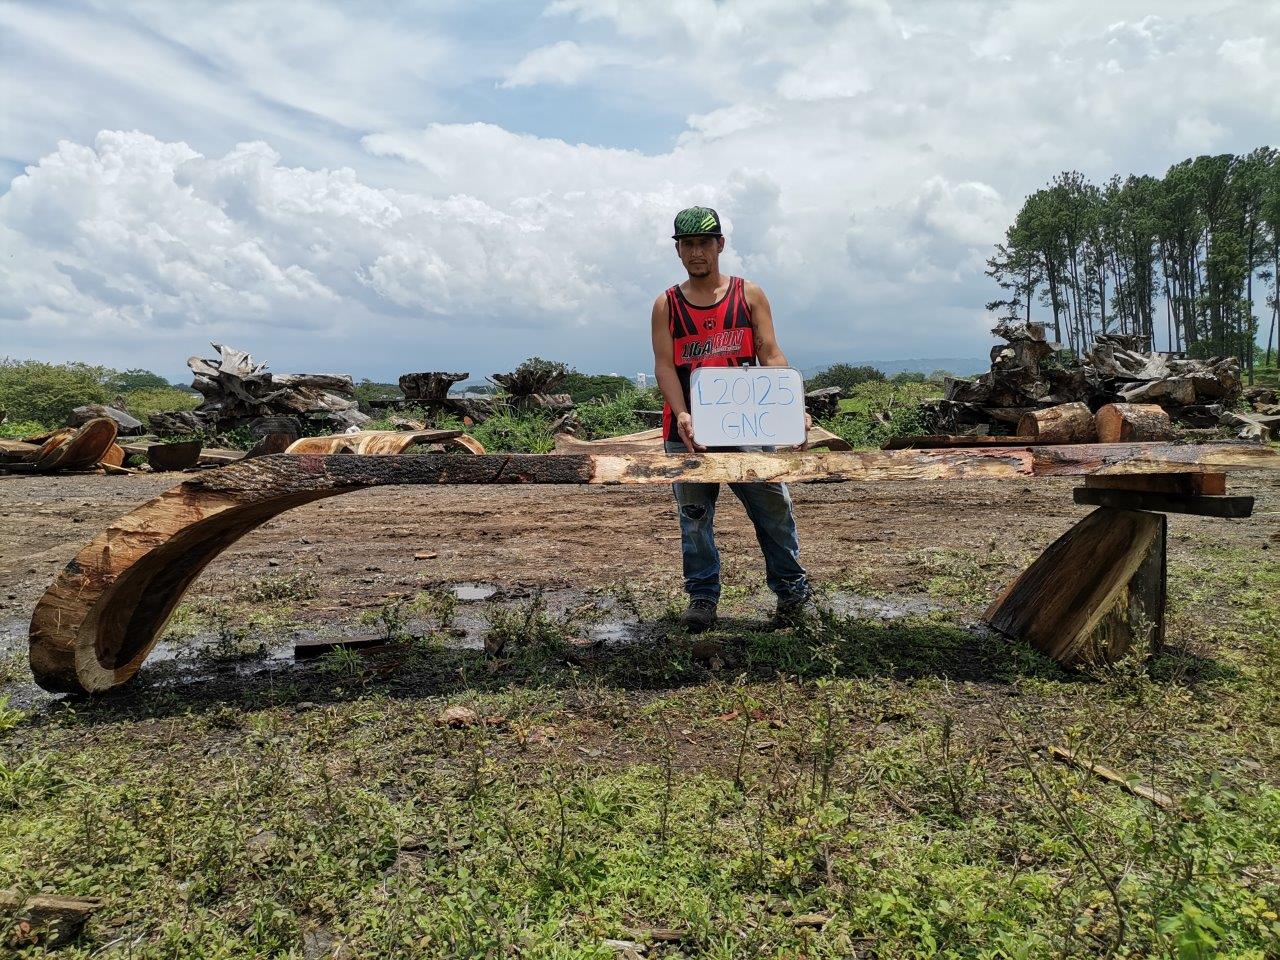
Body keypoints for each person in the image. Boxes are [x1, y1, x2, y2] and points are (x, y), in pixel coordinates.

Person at [650, 206, 812, 633]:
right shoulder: (667, 305)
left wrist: (789, 404)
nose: (696, 252)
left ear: (720, 244)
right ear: (678, 250)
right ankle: (702, 598)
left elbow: (770, 353)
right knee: (695, 519)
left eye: (704, 243)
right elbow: (665, 366)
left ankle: (793, 594)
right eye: (688, 244)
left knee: (773, 510)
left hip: (748, 427)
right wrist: (682, 413)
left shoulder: (748, 295)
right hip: (687, 433)